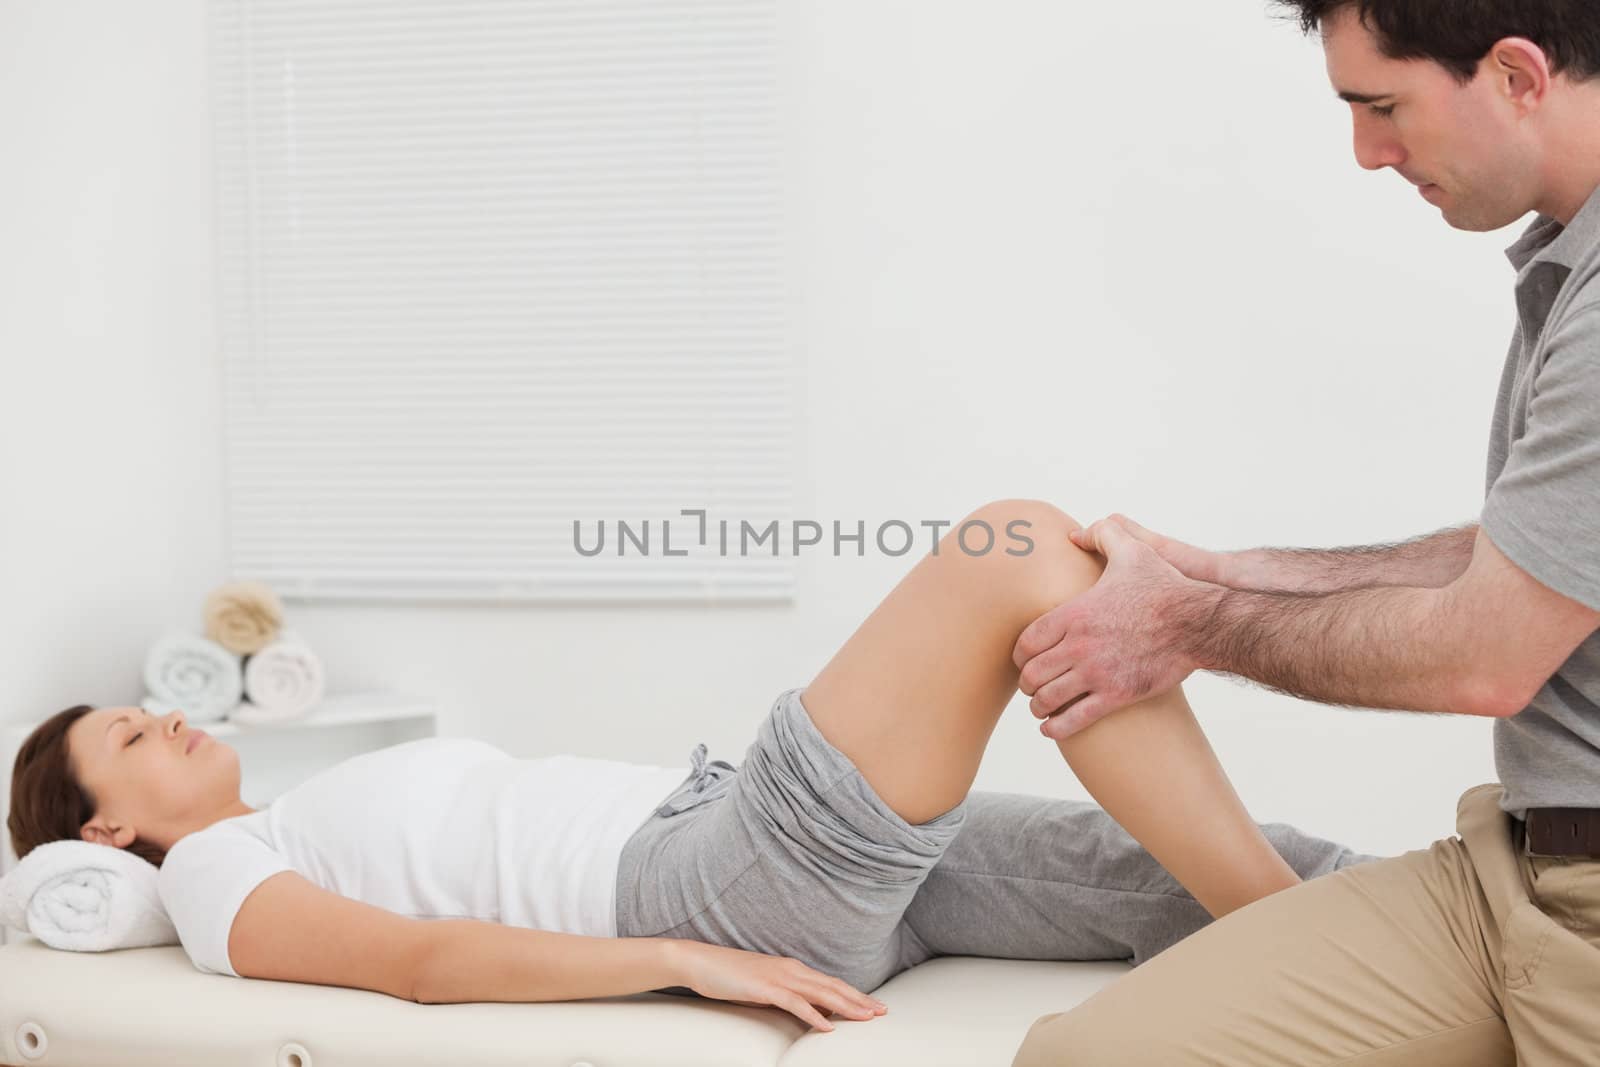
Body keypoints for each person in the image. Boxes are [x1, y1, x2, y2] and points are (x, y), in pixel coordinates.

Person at [7, 499, 1373, 1034]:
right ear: (109, 829)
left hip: (734, 842)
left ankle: (1435, 928)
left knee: (1141, 873)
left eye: (147, 709)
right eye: (129, 738)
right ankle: (1293, 923)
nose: (162, 717)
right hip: (716, 881)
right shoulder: (213, 873)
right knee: (1013, 552)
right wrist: (682, 957)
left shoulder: (290, 807)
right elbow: (419, 961)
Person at [1010, 3, 1600, 1064]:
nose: (1369, 153)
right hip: (1508, 870)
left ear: (1515, 74)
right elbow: (1531, 554)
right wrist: (1234, 574)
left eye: (1382, 107)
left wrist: (1184, 626)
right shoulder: (1571, 257)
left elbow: (1486, 655)